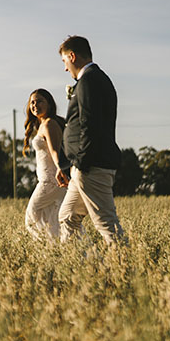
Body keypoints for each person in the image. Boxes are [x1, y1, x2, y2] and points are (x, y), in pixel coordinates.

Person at [55, 36, 125, 245]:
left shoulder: (89, 81)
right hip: (85, 166)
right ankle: (76, 269)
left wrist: (81, 163)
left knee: (107, 225)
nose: (65, 69)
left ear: (72, 56)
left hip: (91, 166)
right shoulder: (96, 79)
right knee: (67, 217)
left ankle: (127, 270)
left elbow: (89, 125)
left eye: (64, 62)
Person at [23, 88, 68, 242]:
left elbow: (56, 151)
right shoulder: (42, 125)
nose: (35, 105)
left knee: (32, 214)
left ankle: (49, 246)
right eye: (32, 103)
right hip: (50, 179)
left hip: (52, 180)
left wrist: (61, 169)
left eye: (40, 101)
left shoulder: (50, 124)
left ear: (49, 104)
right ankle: (59, 248)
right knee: (53, 217)